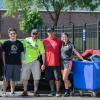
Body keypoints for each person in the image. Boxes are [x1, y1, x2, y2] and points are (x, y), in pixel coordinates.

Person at [21, 29, 45, 96]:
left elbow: (43, 53)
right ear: (31, 34)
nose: (35, 35)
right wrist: (22, 60)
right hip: (26, 62)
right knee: (25, 78)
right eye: (33, 33)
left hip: (36, 62)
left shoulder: (40, 42)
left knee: (36, 78)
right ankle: (25, 91)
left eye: (36, 33)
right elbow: (21, 49)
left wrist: (43, 63)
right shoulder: (26, 40)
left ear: (38, 34)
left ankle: (35, 91)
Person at [61, 32, 85, 96]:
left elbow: (76, 52)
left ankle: (72, 89)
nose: (64, 38)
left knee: (64, 78)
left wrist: (83, 59)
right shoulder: (61, 44)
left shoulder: (71, 45)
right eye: (63, 37)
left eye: (65, 37)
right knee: (65, 79)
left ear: (68, 37)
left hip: (68, 62)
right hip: (62, 62)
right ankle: (67, 92)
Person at [2, 27, 24, 97]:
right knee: (6, 79)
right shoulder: (6, 43)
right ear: (9, 35)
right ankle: (4, 92)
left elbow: (21, 54)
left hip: (17, 64)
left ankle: (12, 91)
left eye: (14, 33)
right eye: (11, 34)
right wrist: (4, 63)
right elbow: (3, 54)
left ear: (16, 34)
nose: (12, 35)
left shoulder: (19, 43)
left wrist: (21, 63)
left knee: (14, 79)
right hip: (8, 64)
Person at [43, 28, 62, 97]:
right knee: (50, 79)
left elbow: (63, 50)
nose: (50, 33)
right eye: (48, 32)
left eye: (51, 32)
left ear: (54, 32)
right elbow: (42, 52)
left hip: (57, 63)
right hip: (48, 64)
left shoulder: (59, 41)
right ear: (47, 33)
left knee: (57, 78)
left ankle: (58, 91)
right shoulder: (45, 41)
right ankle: (52, 91)